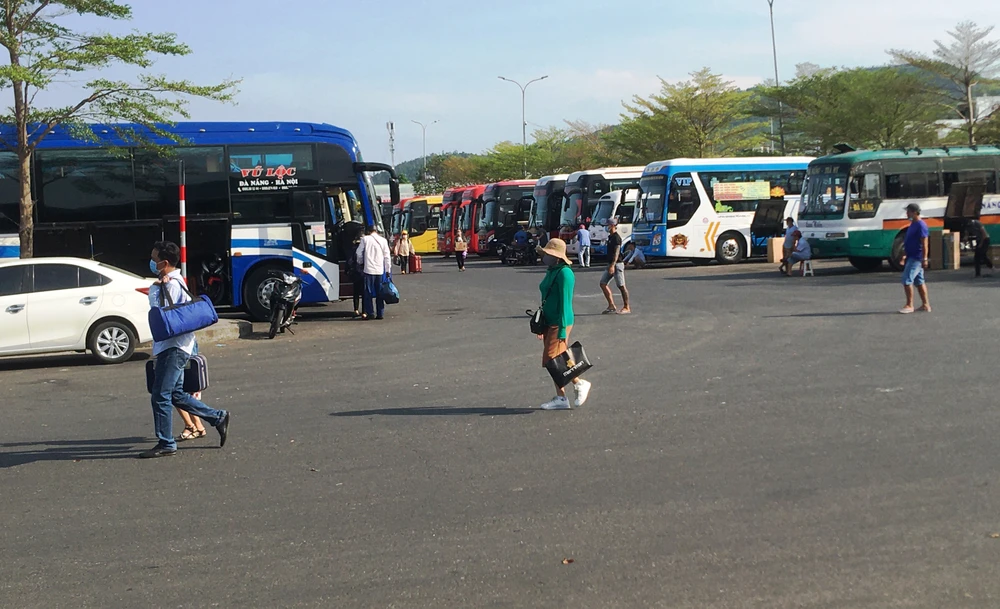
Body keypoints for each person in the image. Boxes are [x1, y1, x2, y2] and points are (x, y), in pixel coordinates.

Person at [141, 241, 230, 459]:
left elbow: (158, 312)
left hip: (173, 348)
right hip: (180, 346)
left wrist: (155, 288)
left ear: (164, 263)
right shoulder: (175, 281)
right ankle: (217, 417)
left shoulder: (168, 285)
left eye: (154, 259)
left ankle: (166, 442)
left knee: (160, 396)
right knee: (175, 394)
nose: (151, 262)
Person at [535, 238, 591, 410]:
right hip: (549, 321)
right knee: (557, 360)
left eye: (548, 253)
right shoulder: (551, 271)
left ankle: (578, 383)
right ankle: (561, 397)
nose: (545, 256)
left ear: (557, 256)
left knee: (551, 359)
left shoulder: (565, 274)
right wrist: (542, 324)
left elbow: (566, 304)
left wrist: (562, 331)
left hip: (560, 321)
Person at [899, 203, 931, 314]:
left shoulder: (921, 225)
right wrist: (904, 254)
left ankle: (909, 305)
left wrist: (925, 258)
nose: (907, 214)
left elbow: (925, 243)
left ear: (915, 212)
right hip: (911, 256)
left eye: (908, 212)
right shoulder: (913, 224)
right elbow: (909, 241)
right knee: (919, 282)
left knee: (907, 280)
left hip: (916, 257)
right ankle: (925, 305)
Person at [356, 225, 392, 320]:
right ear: (376, 231)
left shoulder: (365, 239)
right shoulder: (383, 240)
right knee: (380, 292)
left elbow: (359, 253)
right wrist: (387, 270)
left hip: (368, 270)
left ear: (368, 231)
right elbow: (387, 257)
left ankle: (370, 312)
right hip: (379, 270)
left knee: (368, 292)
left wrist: (360, 262)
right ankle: (380, 313)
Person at [600, 218, 630, 315]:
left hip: (617, 264)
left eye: (608, 225)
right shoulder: (610, 237)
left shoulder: (616, 238)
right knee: (603, 283)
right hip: (610, 264)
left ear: (612, 226)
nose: (606, 227)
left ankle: (626, 307)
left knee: (621, 286)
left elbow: (617, 253)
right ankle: (611, 305)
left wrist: (613, 265)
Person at [347, 234, 364, 317]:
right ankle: (364, 311)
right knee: (364, 293)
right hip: (364, 272)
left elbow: (349, 261)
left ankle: (356, 309)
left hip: (356, 273)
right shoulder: (364, 250)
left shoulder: (353, 250)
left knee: (356, 292)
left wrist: (347, 271)